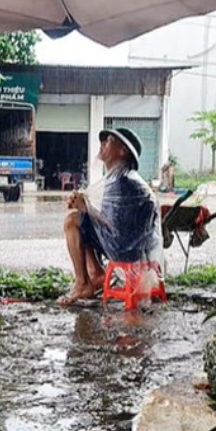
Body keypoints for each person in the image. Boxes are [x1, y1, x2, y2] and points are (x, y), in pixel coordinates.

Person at [58, 127, 161, 305]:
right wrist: (85, 208)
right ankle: (96, 274)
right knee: (82, 219)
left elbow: (118, 230)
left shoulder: (124, 182)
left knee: (72, 221)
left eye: (109, 141)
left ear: (123, 151)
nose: (103, 144)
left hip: (126, 250)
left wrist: (86, 208)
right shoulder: (122, 179)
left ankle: (83, 283)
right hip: (133, 247)